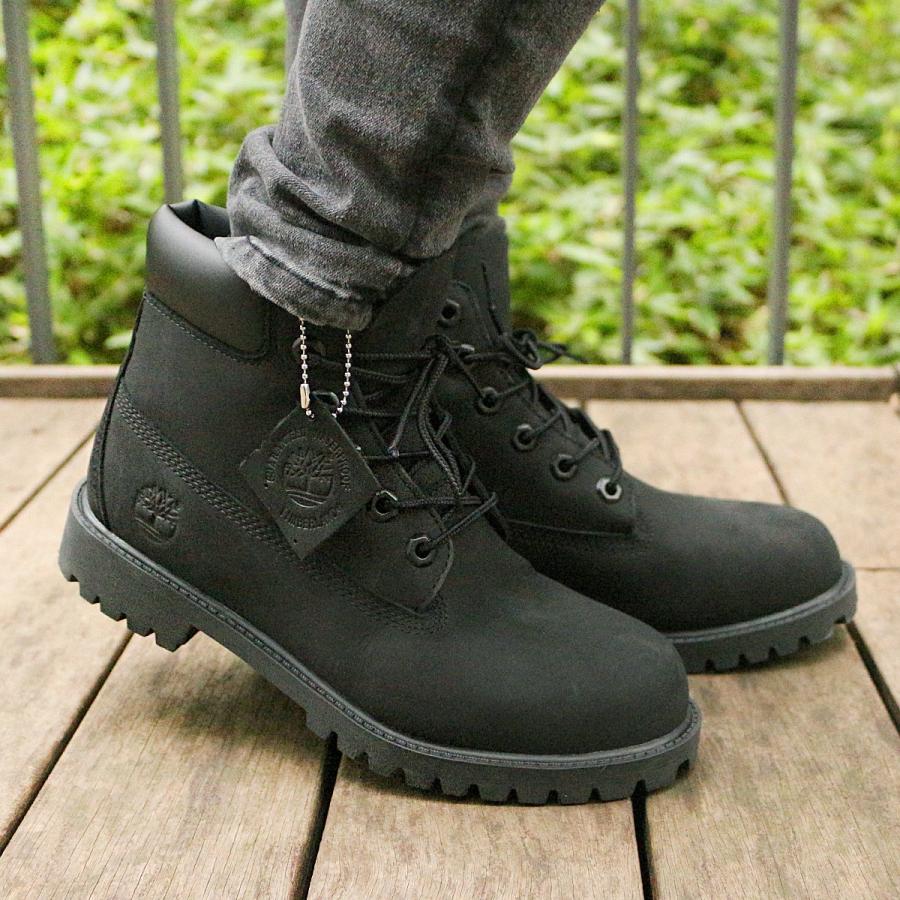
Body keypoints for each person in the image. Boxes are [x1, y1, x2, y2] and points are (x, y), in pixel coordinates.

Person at [59, 0, 855, 803]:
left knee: (423, 213)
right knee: (329, 253)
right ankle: (288, 346)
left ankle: (420, 396)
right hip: (301, 368)